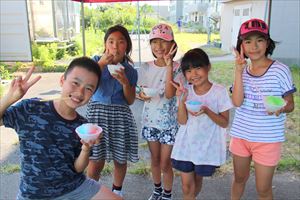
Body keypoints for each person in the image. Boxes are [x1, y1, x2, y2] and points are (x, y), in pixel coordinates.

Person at [0, 57, 122, 200]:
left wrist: (86, 148)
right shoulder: (31, 108)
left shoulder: (83, 126)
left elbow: (77, 168)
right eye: (75, 83)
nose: (80, 92)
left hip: (74, 187)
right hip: (33, 193)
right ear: (62, 80)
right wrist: (9, 98)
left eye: (89, 88)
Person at [230, 18, 296, 200]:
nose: (254, 46)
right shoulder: (241, 70)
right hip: (241, 135)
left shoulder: (280, 70)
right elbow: (236, 102)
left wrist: (280, 108)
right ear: (241, 46)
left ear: (267, 43)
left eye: (259, 40)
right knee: (239, 179)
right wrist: (238, 71)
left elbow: (290, 104)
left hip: (268, 139)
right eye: (248, 41)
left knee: (263, 188)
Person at [170, 48, 233, 200]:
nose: (194, 74)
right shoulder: (186, 91)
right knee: (186, 186)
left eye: (198, 68)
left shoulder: (219, 92)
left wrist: (206, 111)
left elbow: (224, 123)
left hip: (206, 146)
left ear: (208, 67)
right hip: (187, 144)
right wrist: (181, 100)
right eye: (189, 71)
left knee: (197, 181)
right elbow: (182, 121)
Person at [86, 25, 138, 197]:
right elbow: (86, 84)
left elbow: (130, 101)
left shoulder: (130, 71)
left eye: (121, 42)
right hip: (97, 114)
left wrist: (125, 82)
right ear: (105, 44)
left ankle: (117, 191)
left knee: (120, 158)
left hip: (120, 116)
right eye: (111, 41)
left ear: (127, 46)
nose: (115, 46)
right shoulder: (94, 62)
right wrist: (101, 64)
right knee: (95, 159)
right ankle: (91, 191)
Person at [136, 23, 181, 200]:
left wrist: (169, 66)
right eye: (154, 42)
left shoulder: (178, 67)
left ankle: (167, 194)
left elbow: (170, 95)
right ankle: (157, 190)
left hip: (169, 124)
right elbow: (138, 90)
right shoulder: (145, 67)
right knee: (154, 160)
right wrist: (140, 95)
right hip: (150, 121)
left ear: (172, 45)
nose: (159, 46)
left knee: (165, 162)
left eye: (163, 41)